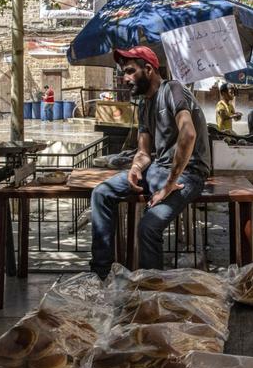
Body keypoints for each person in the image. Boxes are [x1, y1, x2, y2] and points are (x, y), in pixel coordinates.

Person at [90, 46, 210, 278]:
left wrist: (168, 186)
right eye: (123, 73)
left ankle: (152, 292)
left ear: (149, 69)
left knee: (148, 228)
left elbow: (188, 134)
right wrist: (135, 168)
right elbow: (144, 152)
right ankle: (100, 274)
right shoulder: (144, 105)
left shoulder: (172, 89)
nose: (124, 78)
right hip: (157, 170)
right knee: (101, 193)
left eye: (129, 71)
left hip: (188, 173)